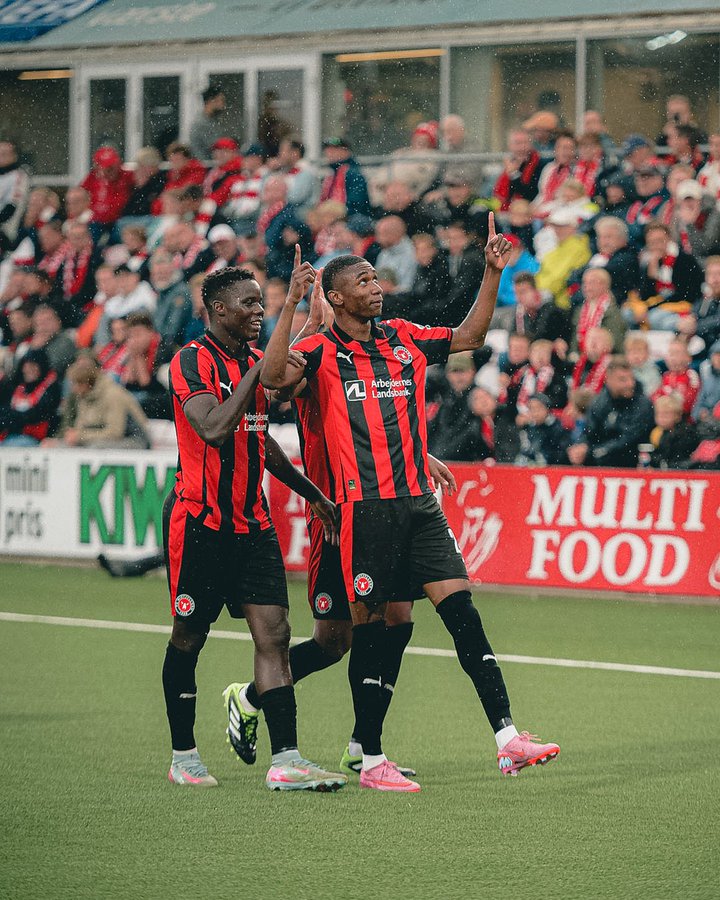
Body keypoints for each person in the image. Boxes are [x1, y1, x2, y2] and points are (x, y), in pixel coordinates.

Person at [260, 223, 560, 791]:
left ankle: (508, 738)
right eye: (363, 280)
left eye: (376, 277)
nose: (377, 286)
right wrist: (295, 306)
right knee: (366, 632)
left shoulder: (402, 336)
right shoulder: (319, 350)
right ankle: (370, 759)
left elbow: (471, 335)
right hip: (363, 511)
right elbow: (274, 377)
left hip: (418, 507)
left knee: (462, 614)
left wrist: (493, 271)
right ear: (338, 296)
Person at [162, 265, 346, 791]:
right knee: (188, 639)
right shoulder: (191, 361)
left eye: (262, 304)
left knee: (276, 635)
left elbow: (259, 442)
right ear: (218, 309)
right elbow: (216, 429)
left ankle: (286, 759)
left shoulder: (253, 364)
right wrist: (258, 370)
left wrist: (313, 493)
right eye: (248, 304)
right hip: (201, 523)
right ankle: (184, 755)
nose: (258, 312)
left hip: (253, 525)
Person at [567, 357, 654, 468]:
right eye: (622, 379)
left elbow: (630, 439)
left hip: (632, 464)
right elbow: (589, 432)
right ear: (609, 380)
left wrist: (597, 451)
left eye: (632, 378)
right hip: (601, 463)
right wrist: (581, 446)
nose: (630, 384)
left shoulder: (643, 404)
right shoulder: (599, 402)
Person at [319, 138, 371, 217]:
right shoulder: (332, 174)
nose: (329, 153)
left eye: (334, 149)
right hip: (337, 218)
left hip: (351, 218)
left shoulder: (353, 173)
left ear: (346, 151)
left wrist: (334, 213)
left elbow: (357, 205)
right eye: (328, 150)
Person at [493, 129, 544, 211]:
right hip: (507, 210)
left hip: (527, 212)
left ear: (531, 145)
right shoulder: (510, 163)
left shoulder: (539, 164)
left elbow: (530, 195)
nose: (522, 147)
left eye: (525, 143)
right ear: (510, 146)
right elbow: (498, 194)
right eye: (518, 143)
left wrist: (514, 174)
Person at [648, 394, 699, 469]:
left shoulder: (685, 432)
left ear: (677, 416)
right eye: (658, 414)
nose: (662, 418)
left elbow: (676, 459)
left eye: (666, 414)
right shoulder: (657, 432)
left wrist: (659, 463)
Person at [0, 139, 29, 253]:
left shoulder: (18, 175)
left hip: (8, 231)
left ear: (14, 156)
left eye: (4, 154)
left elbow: (12, 207)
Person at [188, 84, 228, 161]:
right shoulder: (201, 123)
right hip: (206, 166)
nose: (223, 105)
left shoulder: (212, 121)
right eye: (221, 100)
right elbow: (217, 146)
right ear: (210, 101)